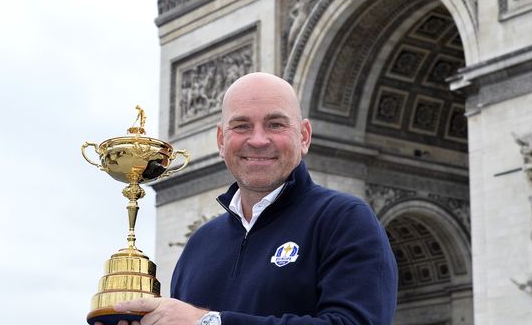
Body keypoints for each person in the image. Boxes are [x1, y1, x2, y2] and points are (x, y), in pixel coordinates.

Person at [105, 72, 398, 325]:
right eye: (242, 125)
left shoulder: (345, 220)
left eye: (275, 124)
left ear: (304, 136)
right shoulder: (199, 244)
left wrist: (208, 321)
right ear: (221, 140)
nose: (258, 140)